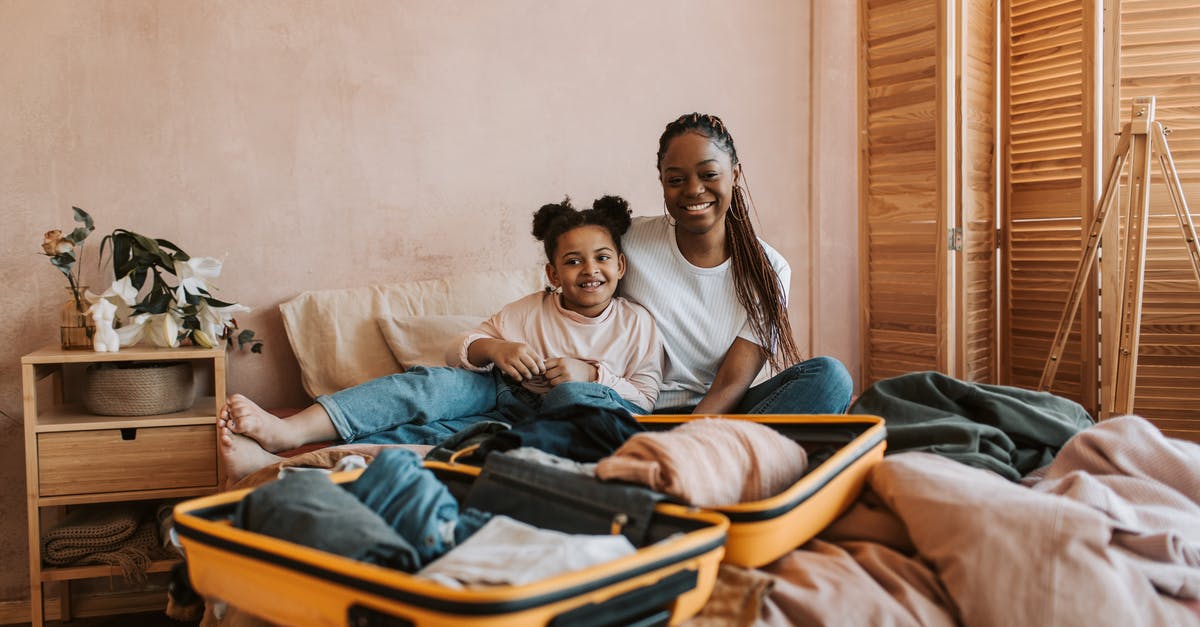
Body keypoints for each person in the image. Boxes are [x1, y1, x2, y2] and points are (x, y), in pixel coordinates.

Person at [218, 195, 663, 481]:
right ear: (552, 273)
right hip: (504, 397)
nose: (590, 270)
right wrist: (497, 349)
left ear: (620, 266)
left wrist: (593, 374)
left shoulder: (635, 323)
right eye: (573, 261)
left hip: (553, 424)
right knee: (432, 385)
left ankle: (290, 470)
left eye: (602, 258)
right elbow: (460, 349)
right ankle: (287, 437)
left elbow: (645, 398)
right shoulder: (529, 309)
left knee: (437, 436)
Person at [618, 112, 852, 415]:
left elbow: (730, 384)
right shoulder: (628, 239)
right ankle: (728, 457)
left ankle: (689, 455)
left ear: (735, 175)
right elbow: (570, 295)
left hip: (718, 413)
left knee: (830, 379)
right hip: (634, 410)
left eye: (709, 174)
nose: (693, 190)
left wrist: (689, 439)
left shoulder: (770, 269)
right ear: (662, 181)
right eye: (676, 179)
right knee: (569, 394)